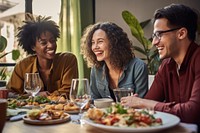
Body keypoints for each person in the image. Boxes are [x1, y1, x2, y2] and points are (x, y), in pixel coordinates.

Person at [121, 4, 200, 126]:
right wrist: (136, 103)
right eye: (154, 36)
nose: (154, 42)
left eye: (159, 35)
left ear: (181, 33)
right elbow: (148, 103)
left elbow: (193, 113)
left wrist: (143, 103)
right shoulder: (166, 66)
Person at [6, 15, 78, 97]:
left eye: (53, 40)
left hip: (60, 109)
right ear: (33, 46)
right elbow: (10, 93)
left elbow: (69, 92)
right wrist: (33, 96)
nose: (51, 45)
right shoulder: (22, 66)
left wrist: (45, 96)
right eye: (44, 43)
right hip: (29, 109)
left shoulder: (67, 60)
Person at [80, 22, 148, 102]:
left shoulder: (138, 67)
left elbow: (141, 102)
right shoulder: (96, 69)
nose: (95, 47)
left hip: (131, 113)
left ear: (114, 43)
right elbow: (94, 100)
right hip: (105, 114)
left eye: (100, 41)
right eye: (93, 43)